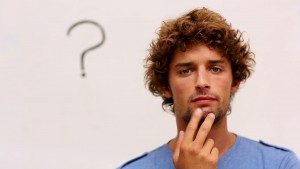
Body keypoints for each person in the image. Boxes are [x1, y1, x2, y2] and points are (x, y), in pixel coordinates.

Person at [117, 7, 300, 169]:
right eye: (186, 71)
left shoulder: (280, 164)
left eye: (215, 69)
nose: (202, 82)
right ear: (166, 86)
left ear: (234, 81)